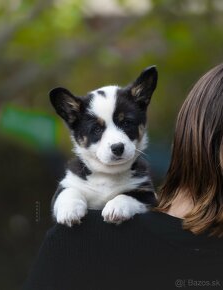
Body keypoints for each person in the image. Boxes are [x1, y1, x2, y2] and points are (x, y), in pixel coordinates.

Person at [23, 64, 223, 290]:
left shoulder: (142, 188)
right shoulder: (71, 241)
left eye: (126, 123)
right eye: (97, 130)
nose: (116, 141)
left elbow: (145, 201)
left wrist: (126, 201)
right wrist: (71, 200)